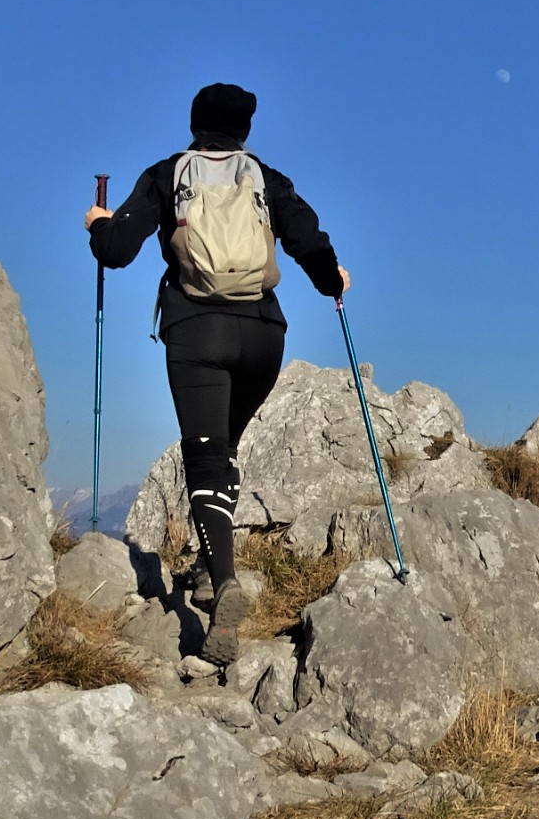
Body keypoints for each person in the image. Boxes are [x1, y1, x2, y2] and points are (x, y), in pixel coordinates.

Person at [85, 83, 349, 665]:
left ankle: (223, 585)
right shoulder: (265, 180)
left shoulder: (167, 174)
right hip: (262, 337)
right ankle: (208, 571)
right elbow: (307, 239)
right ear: (245, 131)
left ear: (194, 123)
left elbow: (117, 250)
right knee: (224, 449)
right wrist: (332, 278)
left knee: (204, 455)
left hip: (196, 331)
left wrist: (98, 223)